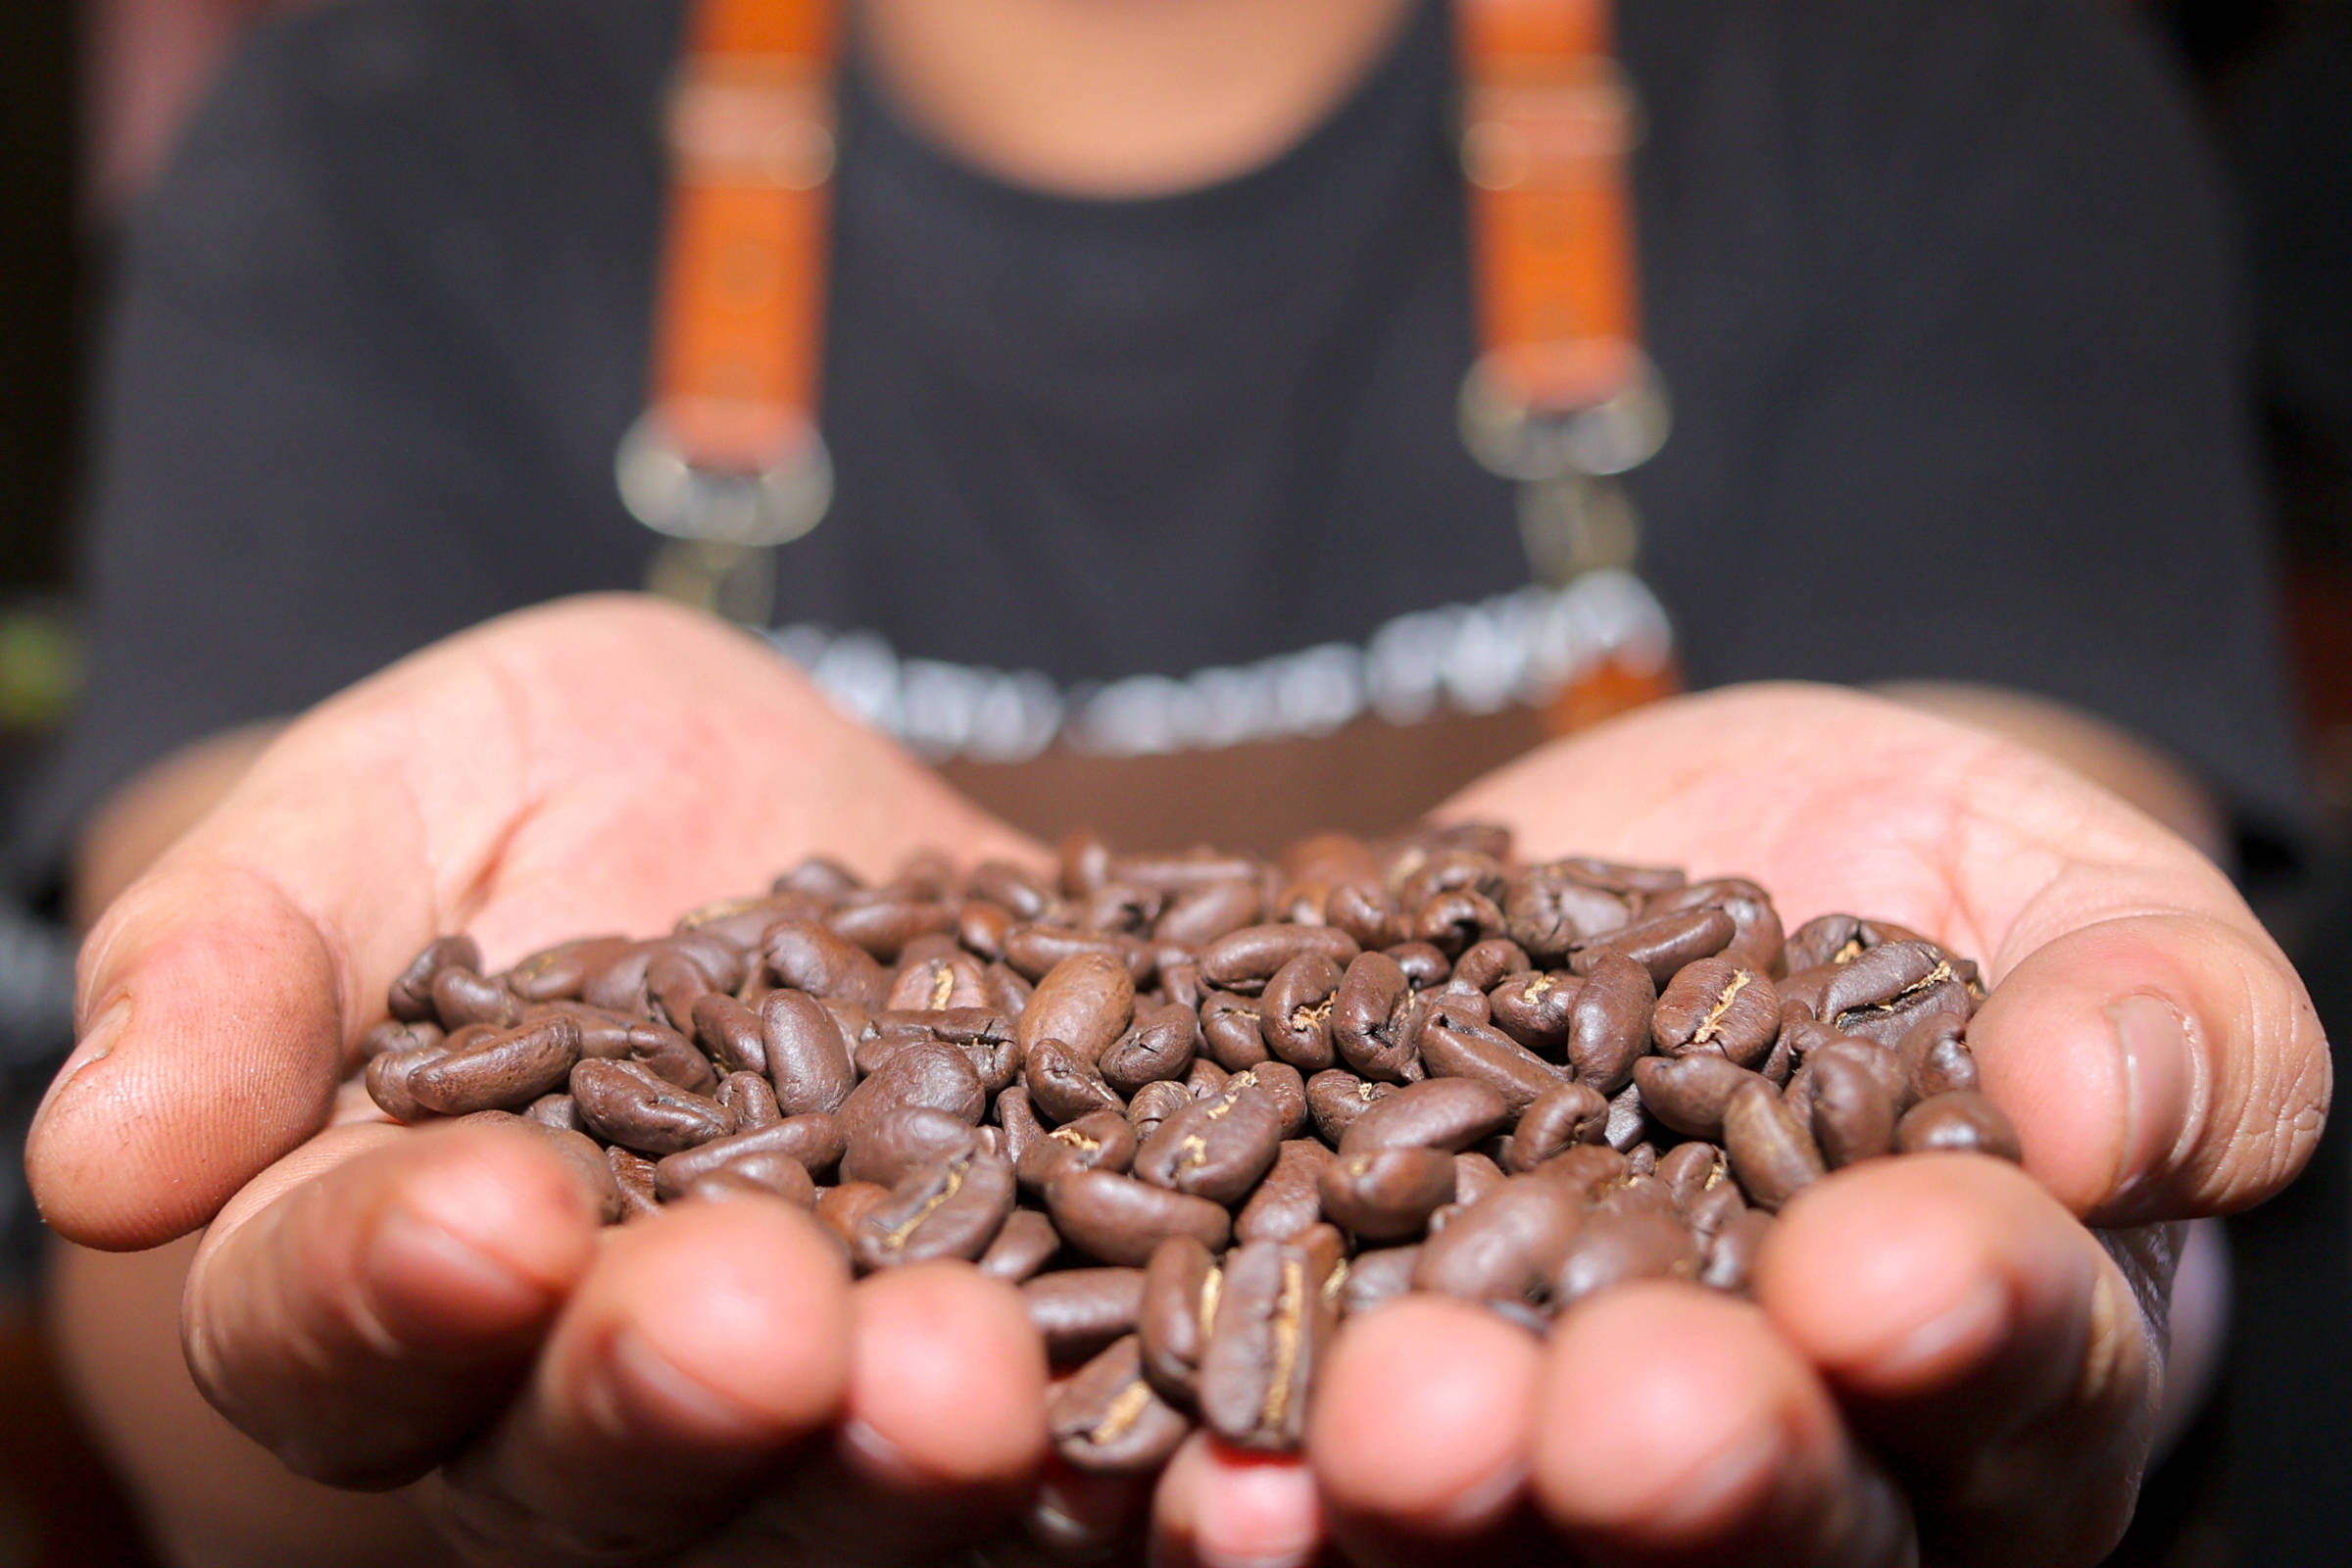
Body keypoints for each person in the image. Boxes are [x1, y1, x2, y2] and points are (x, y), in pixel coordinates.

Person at [10, 0, 2328, 1564]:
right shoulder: (383, 120)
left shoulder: (1945, 74)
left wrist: (2058, 1263)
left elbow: (2035, 994)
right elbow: (208, 1250)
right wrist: (409, 1394)